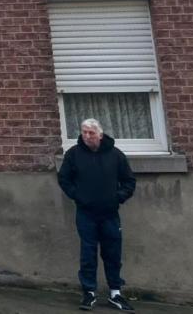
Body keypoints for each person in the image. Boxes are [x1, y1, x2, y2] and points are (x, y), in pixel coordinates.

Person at [57, 118, 137, 311]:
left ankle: (115, 293)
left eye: (91, 133)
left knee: (112, 253)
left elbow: (129, 181)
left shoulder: (115, 155)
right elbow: (64, 178)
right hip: (86, 213)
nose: (87, 136)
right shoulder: (74, 154)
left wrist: (118, 197)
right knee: (88, 253)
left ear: (100, 135)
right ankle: (89, 293)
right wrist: (77, 195)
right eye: (84, 132)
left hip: (109, 213)